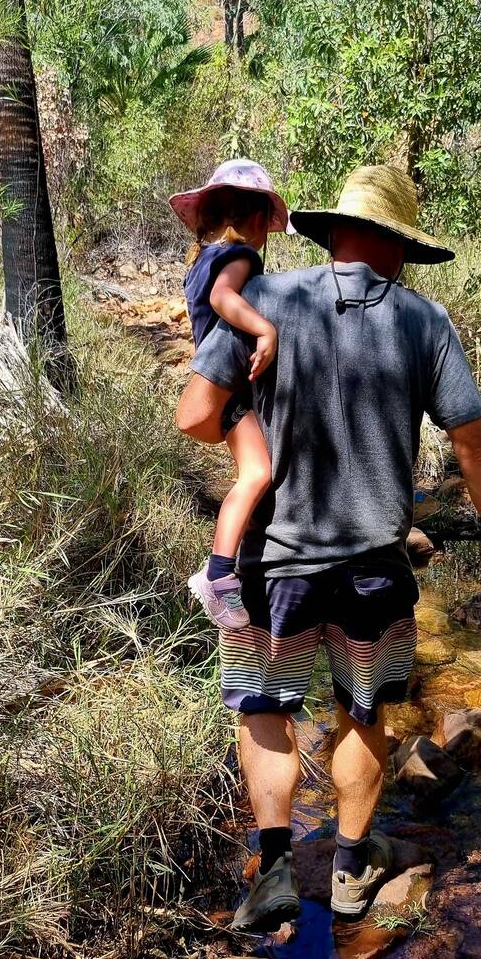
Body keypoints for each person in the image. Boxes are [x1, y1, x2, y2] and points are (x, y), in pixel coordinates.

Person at [176, 164, 481, 930]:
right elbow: (471, 445)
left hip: (273, 563)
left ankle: (273, 873)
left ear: (333, 232)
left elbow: (195, 415)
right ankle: (347, 868)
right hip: (374, 566)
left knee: (265, 709)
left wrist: (252, 440)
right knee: (361, 712)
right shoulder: (424, 321)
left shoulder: (264, 300)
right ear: (398, 246)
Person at [169, 159, 291, 630]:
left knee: (254, 471)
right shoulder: (240, 257)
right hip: (231, 390)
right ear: (258, 218)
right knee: (258, 473)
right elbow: (224, 298)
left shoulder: (199, 260)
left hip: (220, 386)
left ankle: (228, 568)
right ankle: (218, 575)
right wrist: (265, 329)